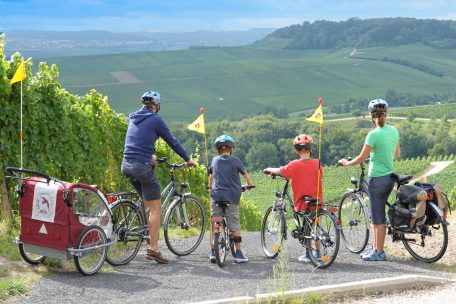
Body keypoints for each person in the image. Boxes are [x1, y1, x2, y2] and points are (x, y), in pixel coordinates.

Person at [121, 91, 197, 264]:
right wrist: (188, 159)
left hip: (126, 165)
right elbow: (173, 141)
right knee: (156, 208)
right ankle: (153, 249)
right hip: (141, 166)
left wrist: (151, 155)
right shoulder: (156, 120)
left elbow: (138, 140)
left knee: (146, 201)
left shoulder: (133, 117)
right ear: (158, 106)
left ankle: (141, 229)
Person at [338, 98, 400, 262]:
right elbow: (397, 154)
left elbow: (360, 158)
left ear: (371, 115)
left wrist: (346, 163)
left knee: (378, 218)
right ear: (386, 114)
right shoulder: (393, 130)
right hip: (389, 178)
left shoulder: (373, 134)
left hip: (377, 180)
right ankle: (375, 248)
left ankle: (379, 252)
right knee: (378, 215)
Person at [263, 134, 324, 262]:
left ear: (297, 151)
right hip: (317, 200)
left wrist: (269, 169)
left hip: (303, 202)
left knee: (306, 224)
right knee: (316, 226)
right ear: (310, 149)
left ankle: (308, 253)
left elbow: (281, 171)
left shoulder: (294, 164)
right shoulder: (317, 163)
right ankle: (317, 252)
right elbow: (320, 175)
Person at [209, 135, 254, 263]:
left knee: (215, 222)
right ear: (231, 149)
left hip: (216, 195)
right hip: (232, 196)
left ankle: (213, 251)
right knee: (234, 223)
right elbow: (245, 173)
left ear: (219, 150)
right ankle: (238, 253)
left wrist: (210, 188)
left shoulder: (214, 160)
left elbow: (211, 176)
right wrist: (249, 184)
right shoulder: (236, 161)